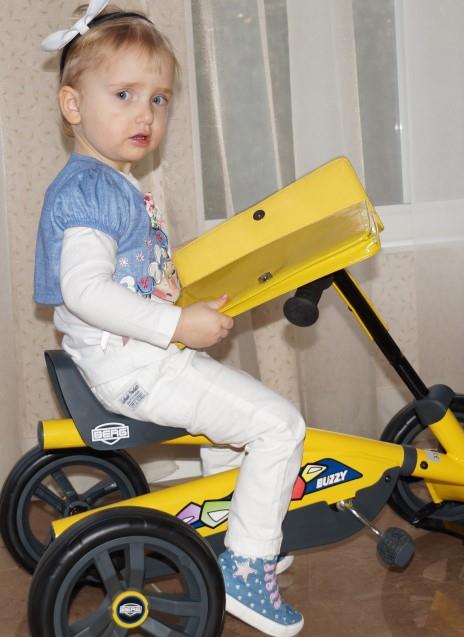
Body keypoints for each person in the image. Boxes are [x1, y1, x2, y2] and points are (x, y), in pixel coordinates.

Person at [34, 4, 305, 635]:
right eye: (123, 94)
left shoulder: (111, 182)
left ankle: (230, 531)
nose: (145, 114)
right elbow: (85, 292)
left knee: (232, 427)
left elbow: (130, 279)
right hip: (138, 367)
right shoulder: (92, 191)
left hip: (135, 359)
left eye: (158, 99)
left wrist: (181, 307)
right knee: (279, 426)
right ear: (72, 105)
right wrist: (178, 326)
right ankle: (248, 565)